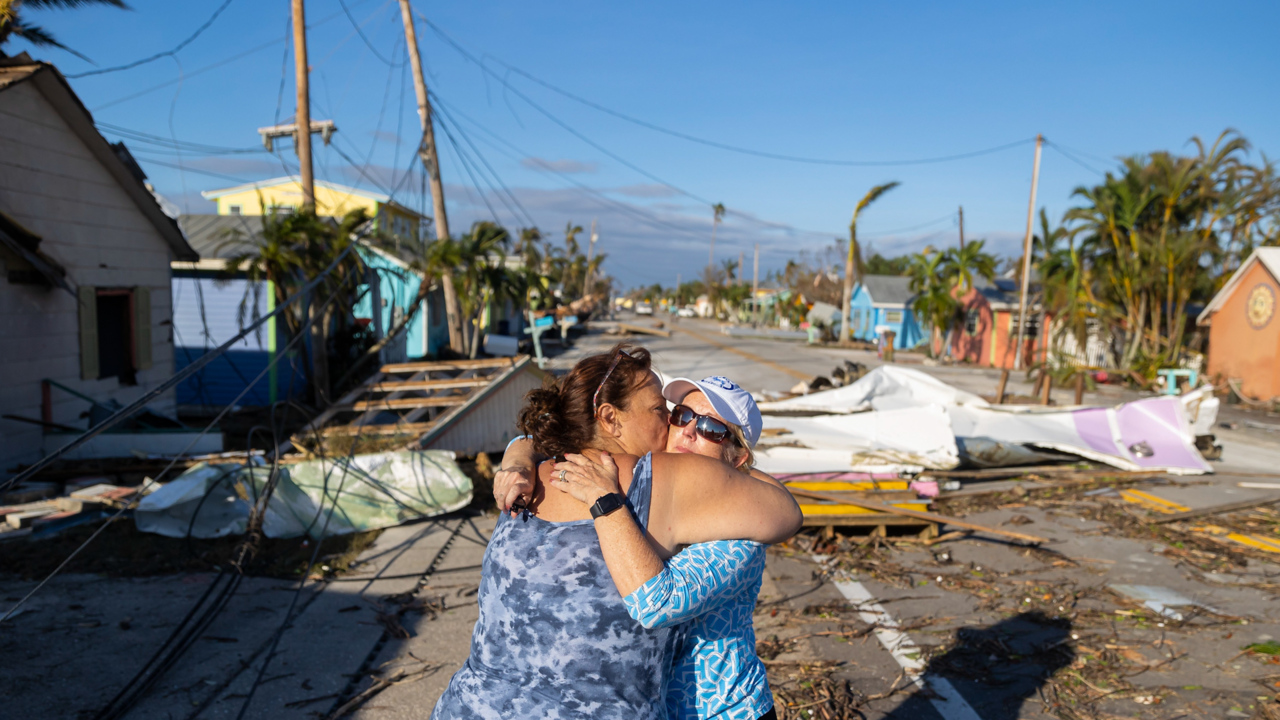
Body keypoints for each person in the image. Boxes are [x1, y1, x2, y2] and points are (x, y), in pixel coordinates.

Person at [431, 345, 801, 720]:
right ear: (610, 419)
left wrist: (528, 460)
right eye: (675, 413)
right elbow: (786, 510)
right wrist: (521, 453)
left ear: (737, 457)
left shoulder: (533, 480)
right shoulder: (664, 478)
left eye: (710, 428)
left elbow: (657, 601)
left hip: (722, 709)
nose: (684, 430)